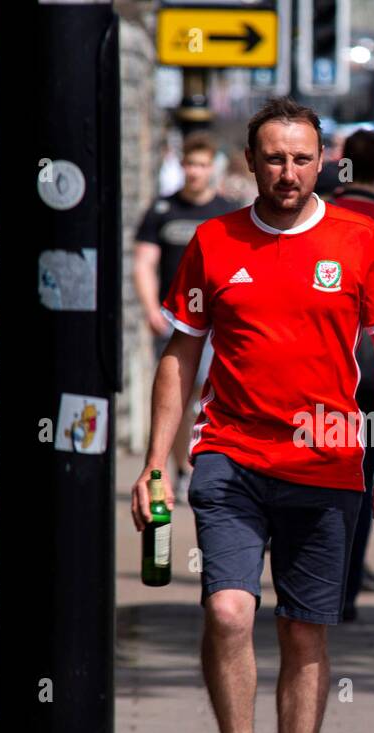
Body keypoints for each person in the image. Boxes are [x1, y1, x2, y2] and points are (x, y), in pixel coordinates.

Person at [132, 96, 374, 733]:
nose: (287, 172)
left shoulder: (361, 240)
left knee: (304, 633)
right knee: (229, 611)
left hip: (328, 464)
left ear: (323, 160)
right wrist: (157, 460)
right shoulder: (213, 240)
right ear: (250, 162)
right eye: (272, 158)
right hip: (229, 455)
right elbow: (180, 355)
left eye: (301, 158)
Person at [326, 128, 374, 620]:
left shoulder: (316, 216)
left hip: (321, 372)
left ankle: (310, 581)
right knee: (359, 481)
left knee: (311, 479)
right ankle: (343, 593)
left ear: (339, 161)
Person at [133, 132, 239, 482]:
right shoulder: (163, 210)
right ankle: (178, 465)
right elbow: (144, 263)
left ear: (212, 168)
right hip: (173, 318)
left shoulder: (225, 212)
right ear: (182, 166)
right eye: (190, 164)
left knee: (203, 391)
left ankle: (199, 461)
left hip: (216, 321)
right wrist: (151, 309)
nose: (196, 171)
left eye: (202, 165)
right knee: (175, 390)